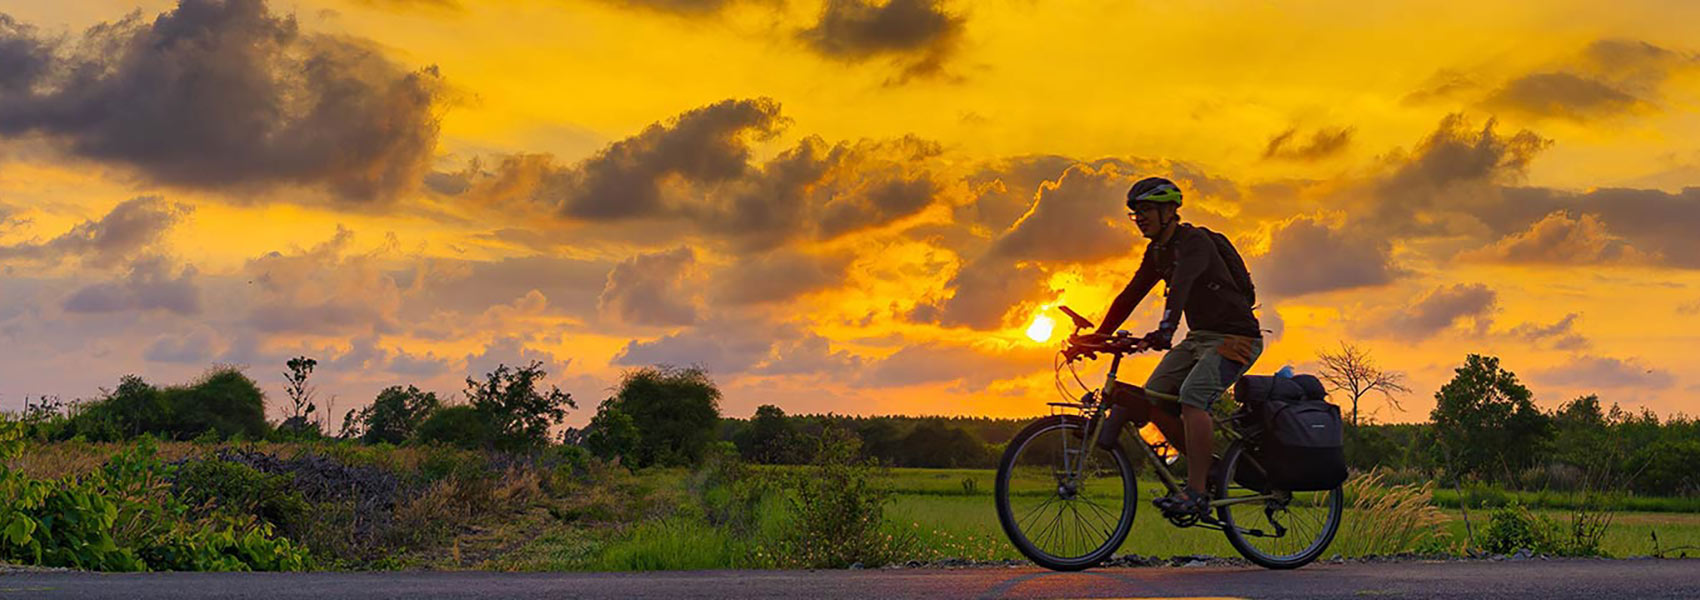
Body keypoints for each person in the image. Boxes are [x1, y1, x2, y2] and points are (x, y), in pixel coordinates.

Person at [1071, 176, 1263, 518]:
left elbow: (1184, 285)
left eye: (1145, 210)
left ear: (1169, 211)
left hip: (1237, 338)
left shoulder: (1195, 242)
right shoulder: (1157, 251)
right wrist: (1098, 336)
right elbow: (1131, 294)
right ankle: (1210, 469)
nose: (1139, 217)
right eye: (1134, 212)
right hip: (1200, 338)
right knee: (1155, 397)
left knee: (1192, 397)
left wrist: (1165, 329)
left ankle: (1198, 492)